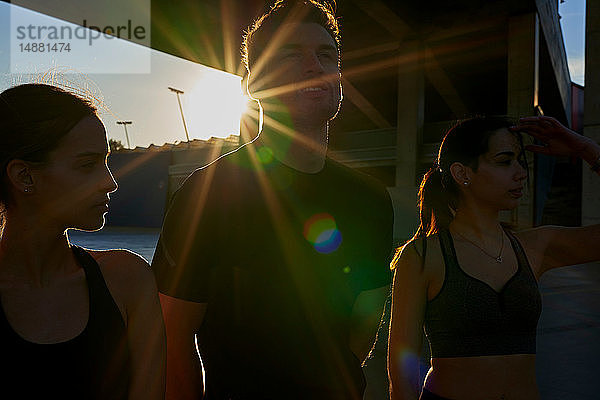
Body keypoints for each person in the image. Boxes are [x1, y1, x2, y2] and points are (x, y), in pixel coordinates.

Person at [151, 1, 394, 398]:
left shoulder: (371, 198)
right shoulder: (209, 192)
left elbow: (362, 328)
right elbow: (173, 339)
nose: (315, 66)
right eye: (291, 56)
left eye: (326, 55)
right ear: (253, 85)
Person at [387, 115, 600, 399]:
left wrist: (586, 149)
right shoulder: (423, 255)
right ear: (463, 173)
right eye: (504, 161)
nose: (521, 172)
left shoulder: (535, 246)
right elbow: (401, 374)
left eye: (520, 161)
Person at [0, 83, 166, 399]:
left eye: (106, 162)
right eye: (87, 165)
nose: (111, 182)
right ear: (24, 176)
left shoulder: (127, 280)